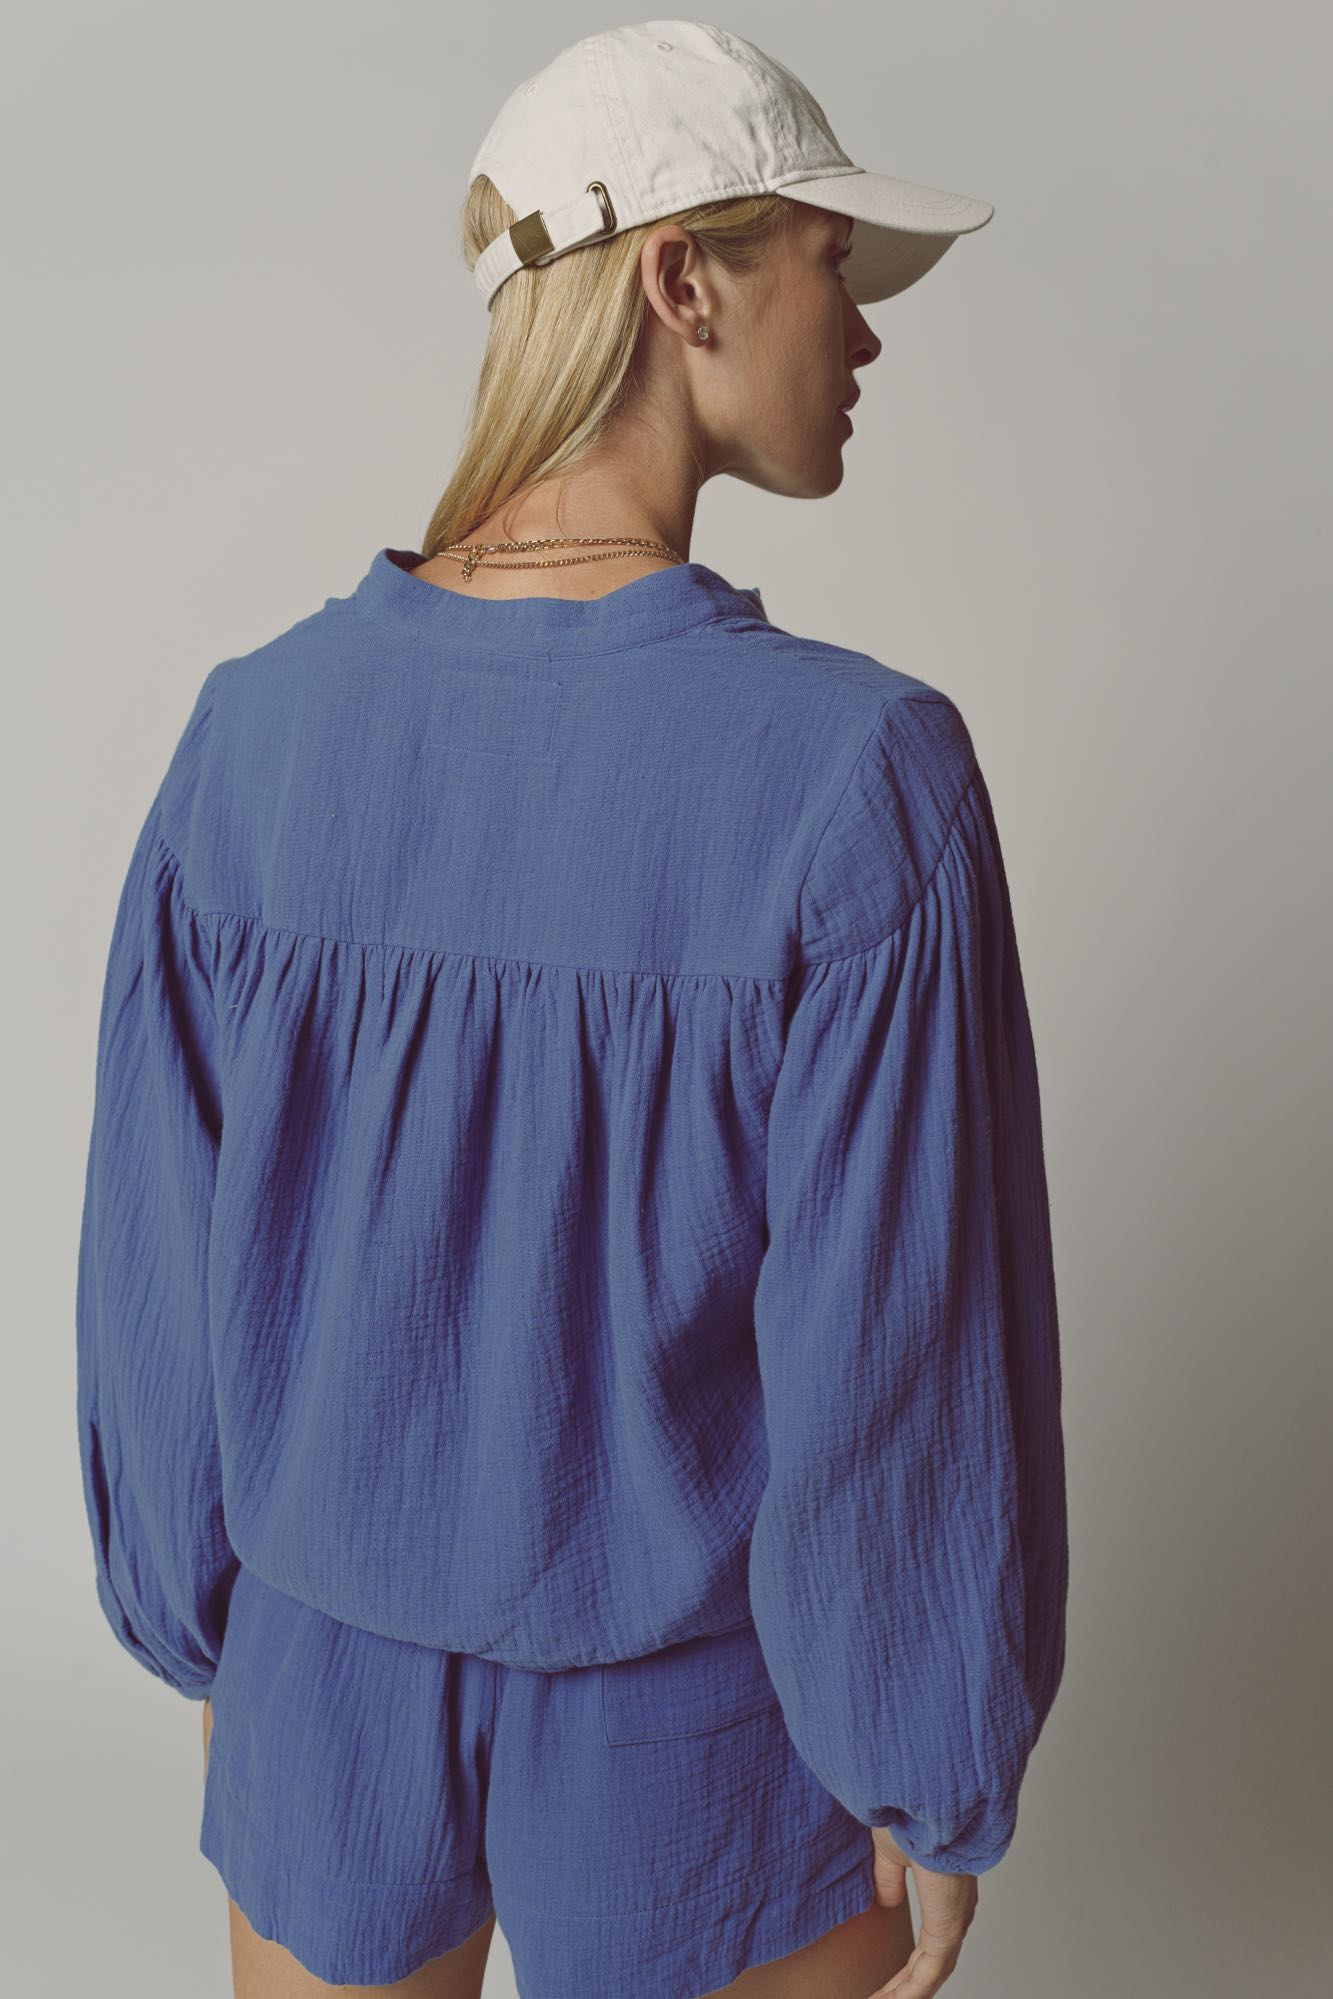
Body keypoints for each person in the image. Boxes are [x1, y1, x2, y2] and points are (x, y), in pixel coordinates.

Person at [75, 21, 1068, 1999]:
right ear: (681, 280)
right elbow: (897, 1353)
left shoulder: (250, 736)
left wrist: (215, 1642)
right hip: (700, 1727)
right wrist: (926, 1755)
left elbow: (154, 1278)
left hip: (318, 1686)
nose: (865, 331)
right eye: (833, 265)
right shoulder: (857, 781)